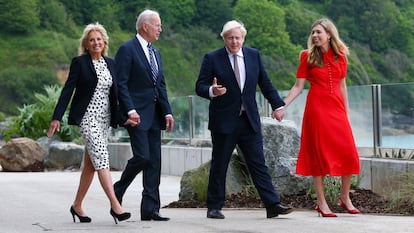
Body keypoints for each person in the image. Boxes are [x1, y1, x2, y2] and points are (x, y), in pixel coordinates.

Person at [195, 20, 293, 219]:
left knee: (258, 164)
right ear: (224, 39)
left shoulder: (253, 55)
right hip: (224, 122)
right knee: (220, 164)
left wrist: (277, 105)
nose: (234, 41)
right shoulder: (212, 58)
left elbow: (265, 83)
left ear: (243, 38)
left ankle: (272, 204)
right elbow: (200, 86)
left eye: (237, 37)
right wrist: (212, 91)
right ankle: (214, 207)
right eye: (230, 38)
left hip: (248, 120)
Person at [47, 23, 131, 224]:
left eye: (99, 39)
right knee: (102, 157)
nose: (96, 43)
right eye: (92, 40)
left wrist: (126, 114)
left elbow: (117, 94)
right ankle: (115, 205)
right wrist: (56, 117)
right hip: (87, 117)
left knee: (91, 165)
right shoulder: (80, 63)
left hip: (104, 119)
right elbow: (68, 90)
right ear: (86, 43)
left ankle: (77, 205)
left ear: (104, 42)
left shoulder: (111, 64)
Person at [280, 18, 360, 217]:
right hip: (317, 110)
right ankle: (322, 203)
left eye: (319, 32)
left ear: (329, 35)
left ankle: (344, 198)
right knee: (318, 154)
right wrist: (283, 105)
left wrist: (346, 112)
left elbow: (342, 86)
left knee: (348, 151)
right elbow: (298, 86)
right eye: (313, 32)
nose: (315, 36)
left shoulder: (341, 56)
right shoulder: (306, 56)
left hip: (337, 109)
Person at [113, 9, 174, 221]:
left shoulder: (155, 52)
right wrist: (129, 110)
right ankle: (116, 191)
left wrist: (167, 111)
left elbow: (161, 85)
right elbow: (120, 83)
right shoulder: (127, 49)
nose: (160, 29)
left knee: (154, 162)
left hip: (155, 115)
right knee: (142, 157)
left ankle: (150, 209)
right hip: (135, 115)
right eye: (157, 25)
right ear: (145, 26)